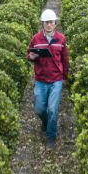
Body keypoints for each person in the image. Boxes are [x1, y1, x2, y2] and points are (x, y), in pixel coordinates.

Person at [27, 8, 69, 148]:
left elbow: (65, 58)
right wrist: (31, 57)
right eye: (46, 22)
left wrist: (65, 76)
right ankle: (45, 122)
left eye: (51, 22)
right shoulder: (36, 39)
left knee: (52, 109)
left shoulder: (61, 39)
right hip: (41, 79)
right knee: (39, 109)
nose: (49, 25)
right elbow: (29, 54)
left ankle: (51, 136)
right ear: (42, 24)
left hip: (56, 79)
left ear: (55, 23)